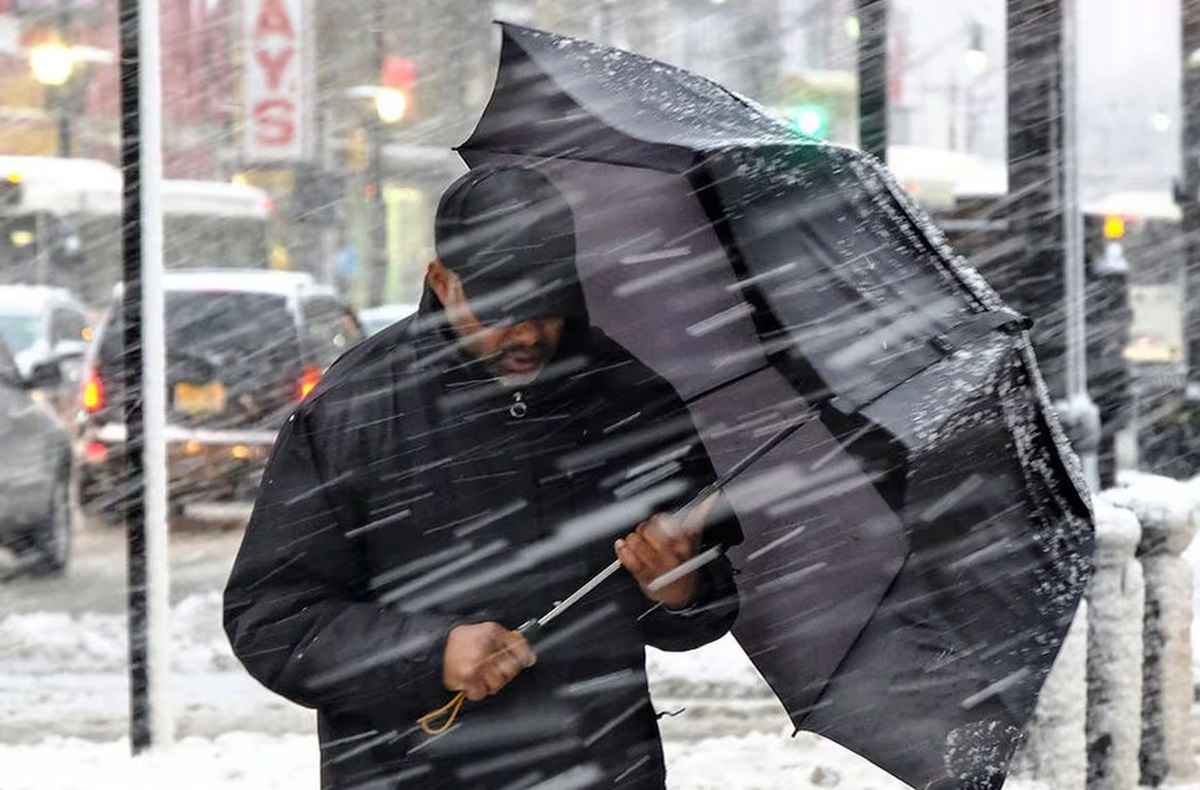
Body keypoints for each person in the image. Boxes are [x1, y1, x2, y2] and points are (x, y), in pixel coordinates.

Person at [223, 165, 741, 789]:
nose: (524, 332)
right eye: (497, 308)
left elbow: (705, 607)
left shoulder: (629, 401)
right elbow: (275, 619)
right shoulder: (350, 412)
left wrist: (679, 590)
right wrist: (429, 656)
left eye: (544, 305)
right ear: (441, 282)